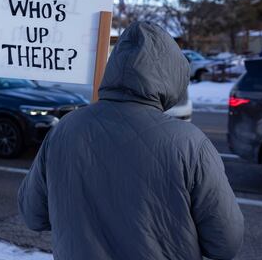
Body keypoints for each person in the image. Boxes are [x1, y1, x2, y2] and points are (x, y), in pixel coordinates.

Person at [18, 21, 244, 260]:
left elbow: (33, 215)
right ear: (173, 74)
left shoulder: (64, 130)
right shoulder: (189, 143)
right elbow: (225, 243)